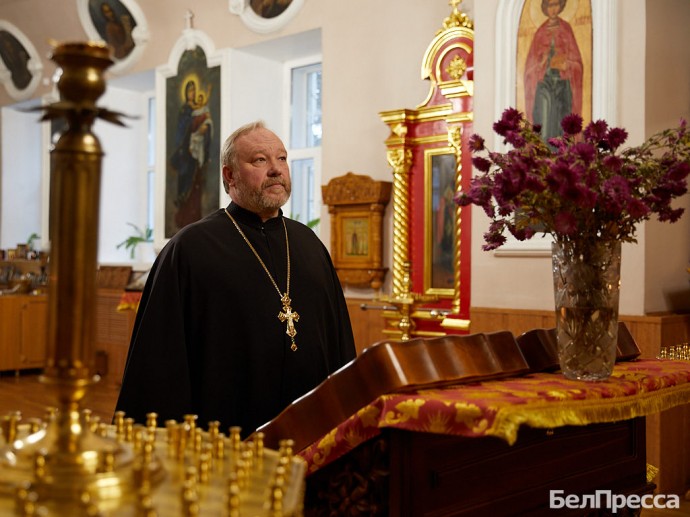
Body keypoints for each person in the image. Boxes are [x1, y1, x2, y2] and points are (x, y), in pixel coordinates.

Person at [115, 121, 356, 437]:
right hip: (226, 435)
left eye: (281, 159)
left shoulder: (308, 243)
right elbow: (160, 362)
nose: (275, 170)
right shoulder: (190, 249)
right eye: (260, 160)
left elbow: (339, 345)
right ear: (229, 176)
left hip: (311, 432)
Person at [523, 0, 583, 142]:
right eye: (550, 5)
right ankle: (543, 160)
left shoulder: (566, 30)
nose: (553, 9)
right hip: (544, 86)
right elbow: (529, 70)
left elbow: (578, 64)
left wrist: (566, 65)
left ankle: (562, 158)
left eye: (556, 5)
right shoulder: (540, 33)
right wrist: (541, 63)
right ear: (545, 7)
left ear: (561, 6)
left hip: (562, 86)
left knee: (561, 126)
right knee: (544, 125)